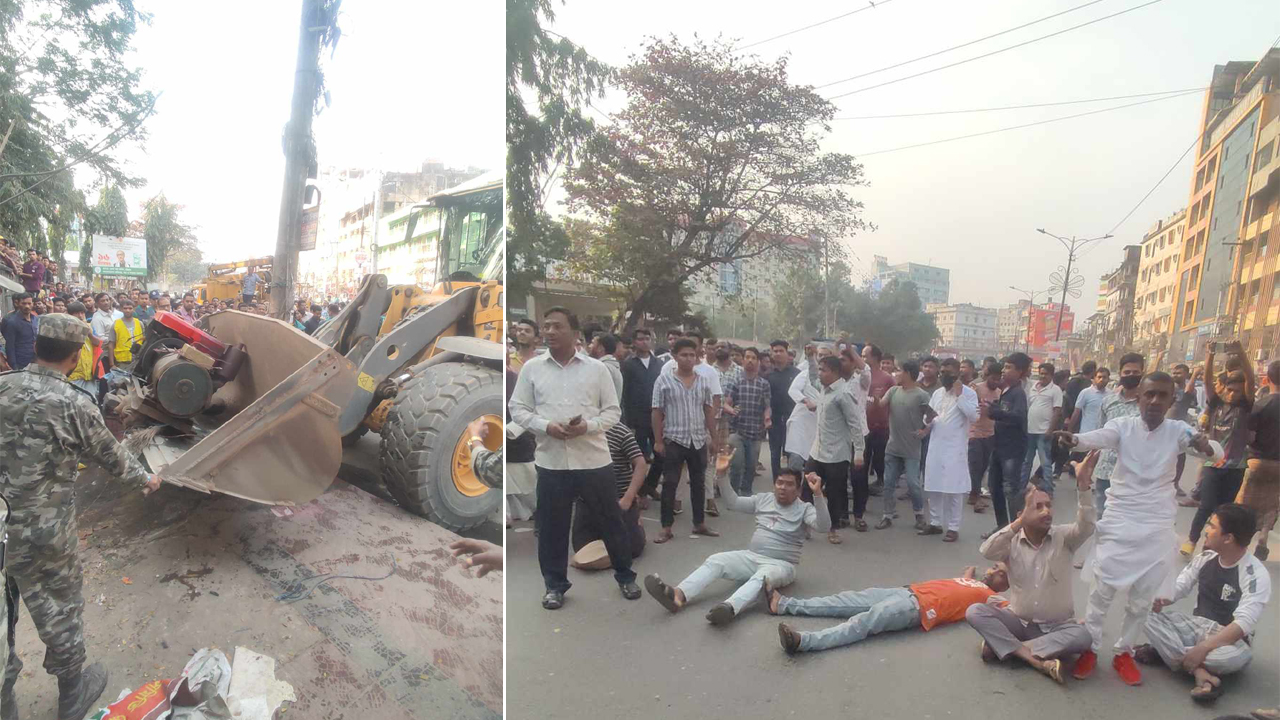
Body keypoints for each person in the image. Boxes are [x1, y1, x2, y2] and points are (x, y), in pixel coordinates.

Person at [0, 313, 163, 720]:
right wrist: (148, 480)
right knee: (59, 607)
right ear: (76, 356)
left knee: (2, 619)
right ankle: (72, 695)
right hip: (45, 533)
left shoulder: (1, 388)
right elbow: (114, 458)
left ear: (37, 347)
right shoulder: (73, 403)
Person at [1052, 371, 1217, 685]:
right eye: (1149, 394)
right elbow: (1098, 436)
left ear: (1171, 400)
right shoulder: (1124, 426)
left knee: (1142, 600)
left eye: (1162, 396)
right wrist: (1075, 440)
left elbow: (1209, 451)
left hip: (1156, 526)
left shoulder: (1179, 431)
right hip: (1119, 520)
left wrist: (1206, 446)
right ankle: (1091, 647)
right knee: (1101, 593)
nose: (1155, 401)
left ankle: (1123, 652)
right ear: (1139, 396)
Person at [508, 306, 640, 610]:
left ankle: (625, 575)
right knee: (552, 528)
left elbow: (613, 412)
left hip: (593, 461)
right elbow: (519, 410)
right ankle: (554, 586)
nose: (550, 332)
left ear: (575, 333)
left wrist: (587, 427)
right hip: (552, 462)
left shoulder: (597, 370)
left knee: (611, 522)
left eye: (557, 326)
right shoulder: (532, 369)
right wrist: (547, 427)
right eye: (547, 326)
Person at [966, 452, 1099, 685]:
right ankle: (1036, 660)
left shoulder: (1064, 537)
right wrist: (1017, 524)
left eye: (1049, 505)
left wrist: (1084, 486)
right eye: (1038, 507)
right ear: (1021, 514)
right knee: (975, 611)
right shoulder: (1011, 542)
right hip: (1019, 622)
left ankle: (1007, 649)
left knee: (1083, 635)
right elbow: (986, 551)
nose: (1046, 511)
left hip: (1057, 628)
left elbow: (1087, 525)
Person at [643, 469, 829, 625]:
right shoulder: (764, 499)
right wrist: (722, 476)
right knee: (717, 560)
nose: (783, 487)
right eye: (780, 482)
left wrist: (818, 494)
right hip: (751, 556)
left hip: (781, 565)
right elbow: (733, 503)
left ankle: (729, 608)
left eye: (789, 484)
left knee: (762, 578)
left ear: (798, 490)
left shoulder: (804, 509)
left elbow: (823, 526)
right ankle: (678, 595)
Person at [1140, 504, 1270, 704]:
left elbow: (1243, 624)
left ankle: (1171, 652)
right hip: (1195, 626)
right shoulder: (1205, 558)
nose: (1206, 530)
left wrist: (1204, 648)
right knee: (1141, 612)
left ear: (1228, 538)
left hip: (1229, 639)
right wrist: (1159, 599)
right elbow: (1179, 588)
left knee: (1222, 659)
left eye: (1212, 526)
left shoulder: (1255, 574)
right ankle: (1200, 672)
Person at [772, 563, 1009, 654]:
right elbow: (966, 577)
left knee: (861, 623)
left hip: (916, 608)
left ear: (1007, 584)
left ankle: (803, 641)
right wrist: (972, 572)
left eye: (1000, 572)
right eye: (995, 567)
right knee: (842, 600)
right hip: (904, 591)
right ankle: (785, 605)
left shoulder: (990, 598)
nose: (993, 570)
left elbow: (1015, 610)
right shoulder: (975, 583)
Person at [1184, 343, 1254, 556]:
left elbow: (1251, 378)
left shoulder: (1245, 407)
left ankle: (1211, 545)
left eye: (1237, 391)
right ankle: (1191, 540)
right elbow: (1206, 380)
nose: (1232, 394)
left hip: (1236, 469)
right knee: (1206, 506)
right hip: (1213, 465)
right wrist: (1210, 355)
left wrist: (1241, 353)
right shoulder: (1215, 404)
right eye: (1230, 390)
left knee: (1224, 511)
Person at [651, 338, 719, 543]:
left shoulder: (703, 381)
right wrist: (658, 441)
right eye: (684, 355)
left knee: (698, 483)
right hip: (673, 439)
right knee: (670, 483)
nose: (689, 359)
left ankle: (699, 524)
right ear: (675, 357)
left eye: (692, 355)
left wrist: (713, 438)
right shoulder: (663, 380)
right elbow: (656, 412)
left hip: (698, 440)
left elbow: (708, 410)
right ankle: (666, 527)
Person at [571, 421, 648, 563]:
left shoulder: (620, 431)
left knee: (631, 549)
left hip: (618, 500)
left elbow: (641, 465)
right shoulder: (579, 432)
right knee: (582, 550)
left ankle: (635, 522)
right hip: (588, 501)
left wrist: (628, 498)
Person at [920, 357, 979, 541]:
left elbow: (974, 416)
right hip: (936, 446)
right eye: (943, 372)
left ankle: (953, 527)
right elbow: (929, 418)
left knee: (954, 488)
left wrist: (960, 394)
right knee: (934, 486)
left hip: (955, 448)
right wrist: (927, 419)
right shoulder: (937, 393)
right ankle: (936, 523)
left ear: (958, 374)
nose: (945, 375)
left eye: (949, 373)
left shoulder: (968, 393)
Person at [806, 356, 863, 543]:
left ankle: (833, 529)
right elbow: (813, 376)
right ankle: (804, 526)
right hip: (817, 451)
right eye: (820, 369)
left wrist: (859, 452)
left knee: (835, 493)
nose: (820, 373)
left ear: (835, 372)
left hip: (837, 454)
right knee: (807, 490)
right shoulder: (823, 388)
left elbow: (855, 424)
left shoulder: (843, 394)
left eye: (824, 370)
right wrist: (809, 358)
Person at [874, 359, 933, 531]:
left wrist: (924, 431)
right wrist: (877, 397)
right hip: (893, 447)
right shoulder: (893, 391)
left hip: (912, 449)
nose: (896, 374)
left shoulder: (922, 395)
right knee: (888, 483)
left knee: (914, 484)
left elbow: (931, 417)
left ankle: (919, 515)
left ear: (908, 373)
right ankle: (887, 515)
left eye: (899, 371)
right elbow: (881, 404)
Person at [983, 352, 1031, 536]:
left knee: (1010, 489)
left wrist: (994, 413)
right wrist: (994, 407)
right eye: (1004, 366)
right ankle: (1002, 525)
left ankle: (1018, 529)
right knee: (994, 486)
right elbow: (1004, 412)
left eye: (1009, 367)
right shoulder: (1006, 391)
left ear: (1020, 372)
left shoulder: (1018, 393)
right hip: (999, 446)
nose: (1004, 370)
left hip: (1013, 449)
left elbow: (1019, 417)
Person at [1092, 354, 1145, 520]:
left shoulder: (1147, 403)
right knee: (1102, 518)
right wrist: (1088, 466)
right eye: (1126, 372)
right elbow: (1099, 435)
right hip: (1105, 472)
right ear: (1120, 373)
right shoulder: (1108, 402)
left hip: (1134, 474)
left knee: (1129, 521)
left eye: (1135, 372)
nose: (1130, 375)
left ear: (1142, 373)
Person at [1236, 360, 1279, 560]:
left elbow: (1250, 437)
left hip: (1257, 462)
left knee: (1245, 503)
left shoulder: (1260, 405)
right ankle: (1263, 536)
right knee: (1272, 504)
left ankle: (1241, 542)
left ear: (1267, 379)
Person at [621, 328, 665, 500]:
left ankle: (649, 487)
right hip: (636, 418)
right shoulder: (627, 364)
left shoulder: (659, 365)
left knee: (661, 456)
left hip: (657, 417)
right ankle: (638, 493)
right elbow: (624, 394)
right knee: (637, 458)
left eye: (647, 338)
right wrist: (627, 420)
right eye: (640, 339)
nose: (644, 342)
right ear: (634, 342)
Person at [725, 347, 771, 497]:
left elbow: (767, 407)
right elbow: (726, 403)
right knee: (736, 464)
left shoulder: (764, 384)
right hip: (737, 430)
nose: (750, 360)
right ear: (743, 360)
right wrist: (731, 410)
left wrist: (767, 418)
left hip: (756, 432)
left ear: (758, 362)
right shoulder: (736, 382)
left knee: (751, 466)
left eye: (753, 358)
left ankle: (746, 493)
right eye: (747, 357)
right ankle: (732, 493)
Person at [856, 344, 894, 502]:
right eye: (862, 356)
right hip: (861, 428)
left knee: (879, 458)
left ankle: (881, 482)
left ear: (876, 358)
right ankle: (861, 489)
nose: (863, 359)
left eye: (866, 356)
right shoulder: (858, 376)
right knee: (861, 461)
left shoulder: (887, 378)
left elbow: (893, 402)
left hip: (881, 427)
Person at [1023, 362, 1064, 493]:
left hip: (1044, 432)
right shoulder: (1033, 387)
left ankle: (1048, 490)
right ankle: (1021, 487)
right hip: (1030, 430)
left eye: (1046, 374)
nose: (1043, 376)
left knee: (1045, 462)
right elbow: (1028, 407)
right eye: (1041, 373)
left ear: (1051, 375)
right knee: (1026, 462)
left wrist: (1050, 430)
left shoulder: (1055, 390)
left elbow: (1057, 411)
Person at [967, 363, 1001, 514]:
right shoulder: (976, 388)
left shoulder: (1000, 392)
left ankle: (974, 493)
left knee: (983, 466)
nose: (995, 382)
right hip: (974, 432)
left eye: (998, 379)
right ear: (987, 377)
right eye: (993, 378)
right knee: (975, 464)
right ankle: (976, 497)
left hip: (990, 434)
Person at [766, 340, 799, 481]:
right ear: (772, 354)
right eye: (775, 351)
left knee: (792, 454)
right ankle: (777, 483)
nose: (778, 353)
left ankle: (793, 483)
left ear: (787, 353)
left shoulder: (797, 374)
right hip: (774, 421)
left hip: (793, 420)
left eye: (781, 351)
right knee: (774, 454)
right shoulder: (767, 376)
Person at [0, 293, 37, 370]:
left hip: (35, 362)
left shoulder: (35, 320)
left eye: (29, 303)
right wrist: (14, 366)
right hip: (21, 362)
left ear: (32, 304)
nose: (27, 306)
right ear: (18, 304)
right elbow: (10, 346)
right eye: (24, 303)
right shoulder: (12, 322)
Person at [1069, 367, 1111, 434]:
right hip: (1086, 433)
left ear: (1108, 379)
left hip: (1104, 434)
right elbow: (1076, 412)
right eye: (1099, 377)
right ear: (1094, 378)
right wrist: (1069, 430)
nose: (1101, 379)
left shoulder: (1111, 394)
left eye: (1104, 377)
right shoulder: (1085, 393)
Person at [588, 332, 624, 400]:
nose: (589, 346)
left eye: (593, 343)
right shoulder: (610, 366)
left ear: (600, 348)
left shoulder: (603, 368)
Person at [109, 299, 144, 368]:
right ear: (121, 309)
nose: (128, 310)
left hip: (138, 361)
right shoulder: (116, 324)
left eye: (130, 308)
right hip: (122, 362)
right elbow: (111, 345)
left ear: (133, 309)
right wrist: (112, 364)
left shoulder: (139, 323)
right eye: (125, 308)